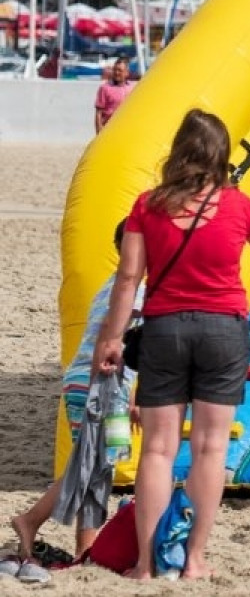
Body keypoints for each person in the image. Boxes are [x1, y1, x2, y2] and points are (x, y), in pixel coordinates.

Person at [93, 108, 250, 581]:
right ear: (221, 156)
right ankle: (193, 559)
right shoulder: (237, 205)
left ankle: (145, 564)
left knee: (157, 451)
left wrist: (112, 338)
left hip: (164, 330)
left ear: (178, 151)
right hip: (223, 330)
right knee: (210, 448)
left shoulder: (147, 206)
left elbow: (128, 279)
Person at [10, 220, 139, 562]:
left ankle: (85, 549)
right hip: (100, 385)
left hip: (96, 384)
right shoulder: (133, 292)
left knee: (99, 467)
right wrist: (127, 396)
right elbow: (122, 342)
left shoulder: (115, 285)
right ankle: (30, 519)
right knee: (89, 464)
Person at [94, 58, 135, 132]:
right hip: (109, 130)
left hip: (127, 129)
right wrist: (99, 130)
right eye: (115, 70)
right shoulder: (105, 88)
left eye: (120, 70)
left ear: (127, 73)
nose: (116, 73)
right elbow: (98, 112)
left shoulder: (132, 88)